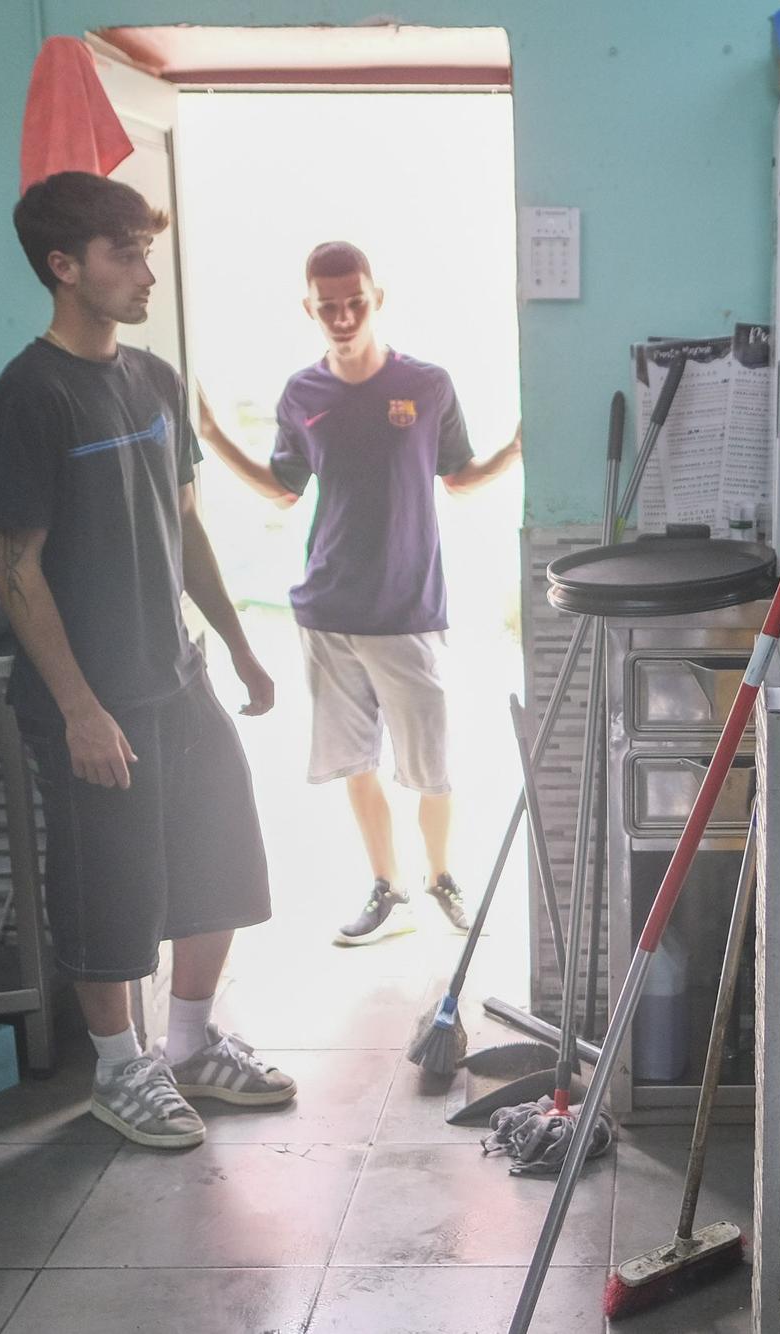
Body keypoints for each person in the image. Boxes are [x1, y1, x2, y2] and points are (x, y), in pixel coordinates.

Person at [0, 172, 295, 1151]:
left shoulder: (153, 378)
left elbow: (185, 525)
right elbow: (17, 566)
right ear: (64, 266)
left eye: (147, 250)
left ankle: (195, 1041)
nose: (146, 271)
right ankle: (120, 1068)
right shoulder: (28, 395)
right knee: (106, 883)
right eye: (126, 254)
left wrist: (237, 644)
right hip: (89, 694)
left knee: (220, 854)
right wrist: (77, 706)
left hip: (178, 670)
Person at [195, 241, 520, 946]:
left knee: (431, 767)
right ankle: (388, 888)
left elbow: (460, 476)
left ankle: (441, 879)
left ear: (378, 299)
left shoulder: (427, 385)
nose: (343, 317)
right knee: (356, 762)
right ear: (309, 308)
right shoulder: (302, 396)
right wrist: (213, 436)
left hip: (408, 610)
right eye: (329, 307)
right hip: (328, 610)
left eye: (355, 303)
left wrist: (520, 446)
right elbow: (283, 492)